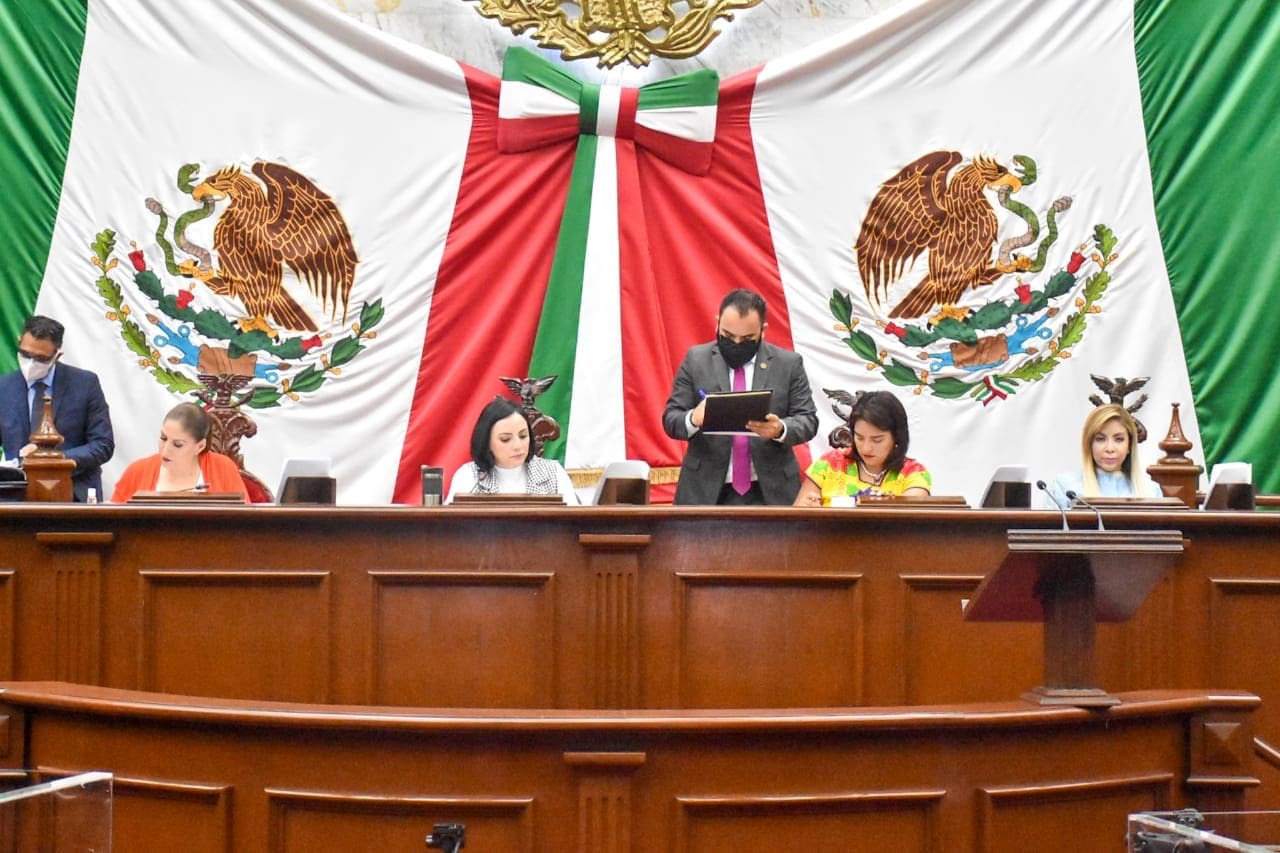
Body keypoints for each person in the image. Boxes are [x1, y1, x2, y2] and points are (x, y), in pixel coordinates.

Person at [663, 289, 818, 505]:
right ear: (717, 323)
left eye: (746, 339)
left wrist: (780, 429)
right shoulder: (696, 360)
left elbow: (808, 420)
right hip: (705, 491)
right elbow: (671, 419)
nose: (736, 343)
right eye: (727, 336)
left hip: (770, 491)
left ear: (763, 330)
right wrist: (694, 418)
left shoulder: (788, 364)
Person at [0, 315, 114, 501]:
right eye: (25, 355)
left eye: (41, 359)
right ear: (19, 342)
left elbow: (103, 445)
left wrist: (53, 458)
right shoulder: (4, 388)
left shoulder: (85, 384)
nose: (31, 363)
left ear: (57, 355)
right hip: (15, 498)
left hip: (73, 495)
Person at [794, 390, 931, 506]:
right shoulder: (829, 464)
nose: (866, 448)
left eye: (877, 440)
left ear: (897, 436)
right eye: (859, 438)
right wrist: (807, 509)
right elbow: (796, 516)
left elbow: (910, 520)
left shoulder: (913, 473)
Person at [446, 397, 579, 504]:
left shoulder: (553, 473)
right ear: (486, 441)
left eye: (523, 436)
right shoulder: (469, 476)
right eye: (505, 439)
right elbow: (451, 525)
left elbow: (574, 523)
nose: (518, 446)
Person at [110, 402, 247, 502]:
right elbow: (114, 523)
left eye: (178, 445)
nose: (165, 450)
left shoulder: (223, 468)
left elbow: (244, 523)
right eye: (163, 438)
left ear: (200, 446)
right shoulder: (137, 471)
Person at [1048, 403, 1161, 505]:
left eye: (1119, 439)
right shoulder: (1065, 487)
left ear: (1130, 445)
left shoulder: (1151, 491)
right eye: (1100, 439)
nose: (1110, 448)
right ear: (1089, 444)